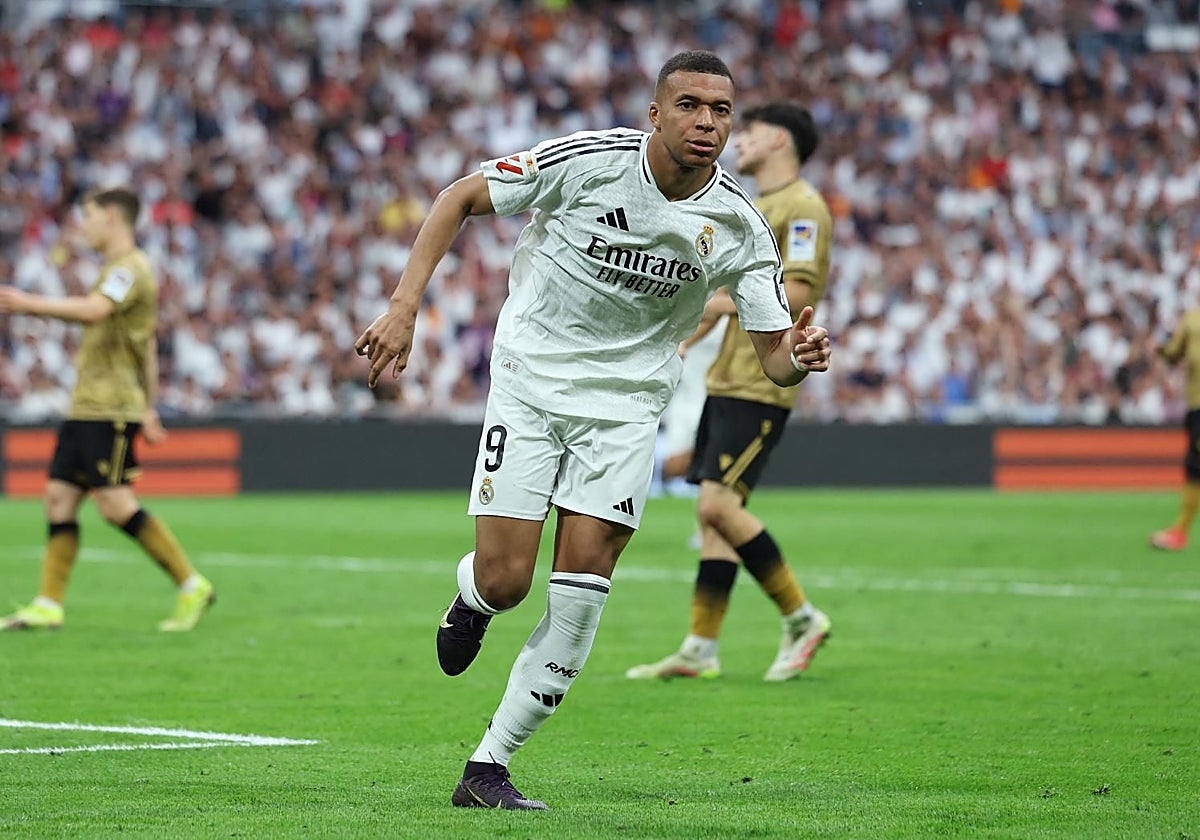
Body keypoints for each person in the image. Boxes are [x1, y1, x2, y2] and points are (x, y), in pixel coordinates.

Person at [355, 51, 832, 811]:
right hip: (531, 385)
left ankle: (488, 767)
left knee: (581, 590)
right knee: (508, 579)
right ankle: (474, 600)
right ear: (654, 112)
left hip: (625, 410)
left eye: (720, 111)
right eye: (689, 106)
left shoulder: (739, 222)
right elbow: (457, 198)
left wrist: (799, 357)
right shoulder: (588, 162)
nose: (706, 123)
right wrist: (405, 305)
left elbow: (776, 357)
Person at [626, 102, 834, 683]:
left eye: (749, 129)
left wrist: (712, 304)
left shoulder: (802, 208)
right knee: (711, 515)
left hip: (761, 381)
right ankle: (701, 646)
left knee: (720, 506)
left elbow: (793, 294)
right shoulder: (750, 206)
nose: (735, 138)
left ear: (781, 139)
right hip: (727, 376)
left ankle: (801, 616)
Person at [0, 187, 215, 633]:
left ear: (113, 217)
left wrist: (26, 304)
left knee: (115, 506)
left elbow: (96, 312)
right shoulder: (115, 270)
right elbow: (147, 346)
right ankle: (48, 604)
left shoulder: (130, 269)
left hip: (109, 408)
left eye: (89, 216)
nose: (84, 225)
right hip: (88, 406)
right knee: (59, 498)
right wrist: (151, 406)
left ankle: (191, 583)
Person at [1150, 313, 1200, 550]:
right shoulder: (1191, 319)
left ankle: (1180, 530)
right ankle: (1179, 531)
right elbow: (1173, 354)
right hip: (1196, 405)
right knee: (1194, 466)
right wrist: (1160, 347)